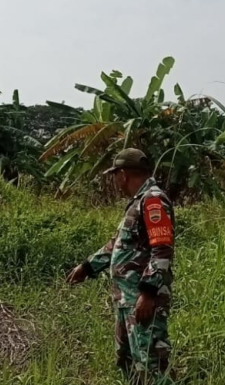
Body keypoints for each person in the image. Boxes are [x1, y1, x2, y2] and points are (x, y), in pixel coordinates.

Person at [66, 148, 175, 384]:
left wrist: (147, 292)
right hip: (127, 299)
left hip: (142, 299)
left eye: (114, 174)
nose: (114, 180)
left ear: (123, 174)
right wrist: (88, 266)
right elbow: (118, 244)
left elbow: (162, 249)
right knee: (128, 363)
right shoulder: (137, 202)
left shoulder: (153, 199)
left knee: (150, 364)